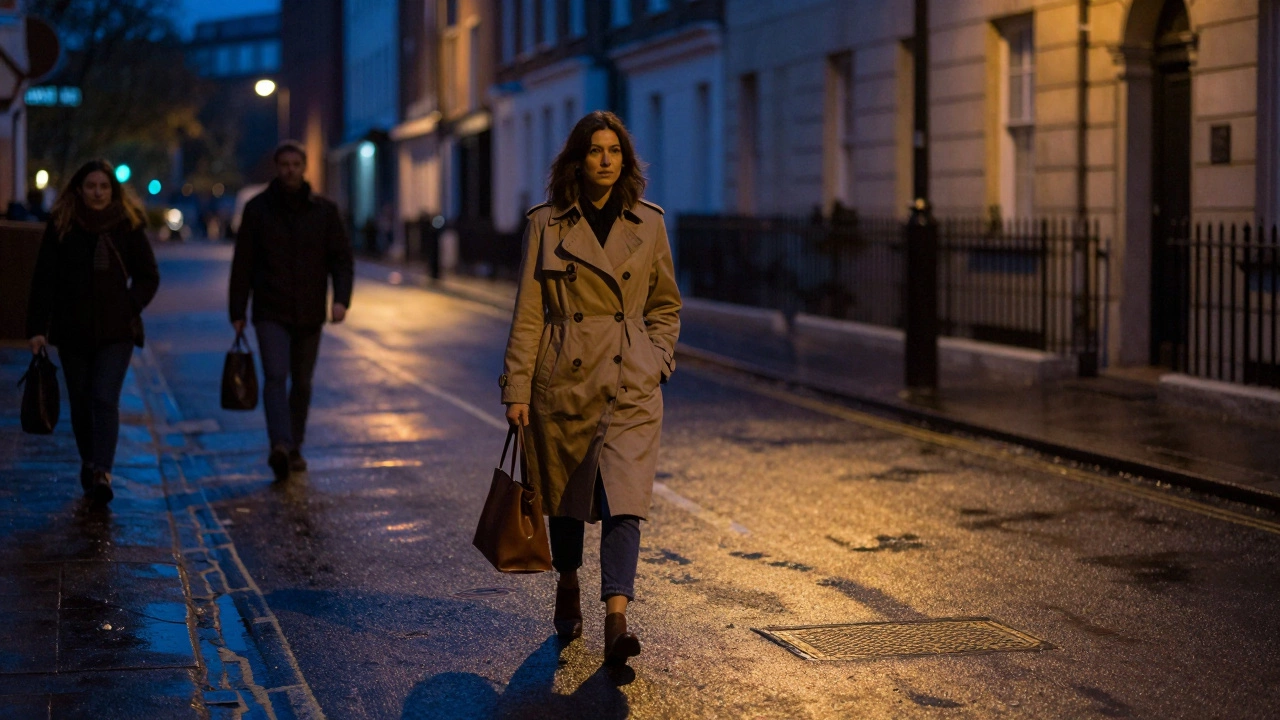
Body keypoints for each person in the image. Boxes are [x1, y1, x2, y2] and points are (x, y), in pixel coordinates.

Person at [500, 111, 682, 665]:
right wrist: (518, 388)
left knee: (626, 502)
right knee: (568, 500)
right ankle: (569, 582)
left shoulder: (648, 224)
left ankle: (617, 619)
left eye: (615, 151)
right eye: (596, 151)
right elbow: (529, 313)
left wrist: (658, 359)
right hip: (565, 381)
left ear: (625, 160)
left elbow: (665, 304)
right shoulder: (547, 223)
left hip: (630, 381)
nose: (606, 160)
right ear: (577, 160)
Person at [26, 159, 160, 504]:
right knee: (82, 402)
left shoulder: (127, 226)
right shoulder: (62, 225)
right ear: (79, 189)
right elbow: (45, 280)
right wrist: (37, 328)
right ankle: (89, 460)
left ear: (112, 190)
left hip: (117, 332)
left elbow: (148, 276)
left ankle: (103, 471)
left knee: (104, 398)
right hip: (72, 330)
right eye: (91, 186)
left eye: (103, 187)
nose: (98, 193)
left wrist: (128, 305)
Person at [229, 141, 354, 481]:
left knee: (302, 382)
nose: (289, 170)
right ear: (276, 166)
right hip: (270, 309)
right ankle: (280, 445)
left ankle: (294, 445)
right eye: (284, 163)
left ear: (304, 167)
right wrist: (237, 310)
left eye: (295, 164)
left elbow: (341, 260)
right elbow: (243, 264)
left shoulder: (324, 211)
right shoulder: (257, 209)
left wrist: (341, 299)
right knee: (275, 376)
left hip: (310, 311)